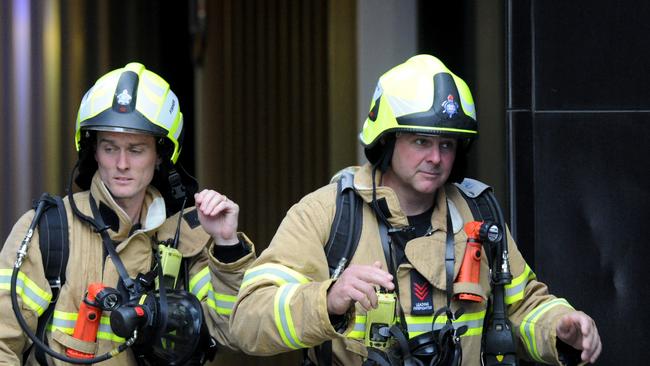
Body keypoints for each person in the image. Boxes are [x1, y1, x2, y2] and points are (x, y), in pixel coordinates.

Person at [230, 54, 601, 365]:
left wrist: (559, 327)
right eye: (421, 141)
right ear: (387, 141)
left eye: (447, 145)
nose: (436, 158)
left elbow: (522, 306)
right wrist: (328, 300)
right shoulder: (326, 214)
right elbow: (249, 320)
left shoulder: (479, 214)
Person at [0, 62, 255, 365]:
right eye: (110, 148)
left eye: (136, 150)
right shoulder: (49, 231)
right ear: (93, 151)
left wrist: (226, 244)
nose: (122, 164)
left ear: (160, 155)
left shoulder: (186, 237)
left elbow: (231, 330)